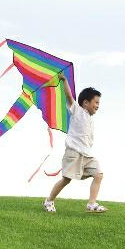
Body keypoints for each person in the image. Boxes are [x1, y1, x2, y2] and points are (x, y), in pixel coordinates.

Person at [43, 73, 107, 213]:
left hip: (87, 155)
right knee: (66, 179)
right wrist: (64, 80)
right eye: (96, 102)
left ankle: (91, 204)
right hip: (73, 153)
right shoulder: (77, 110)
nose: (98, 105)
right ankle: (49, 200)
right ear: (85, 103)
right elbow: (69, 96)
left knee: (99, 174)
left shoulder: (90, 119)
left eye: (99, 103)